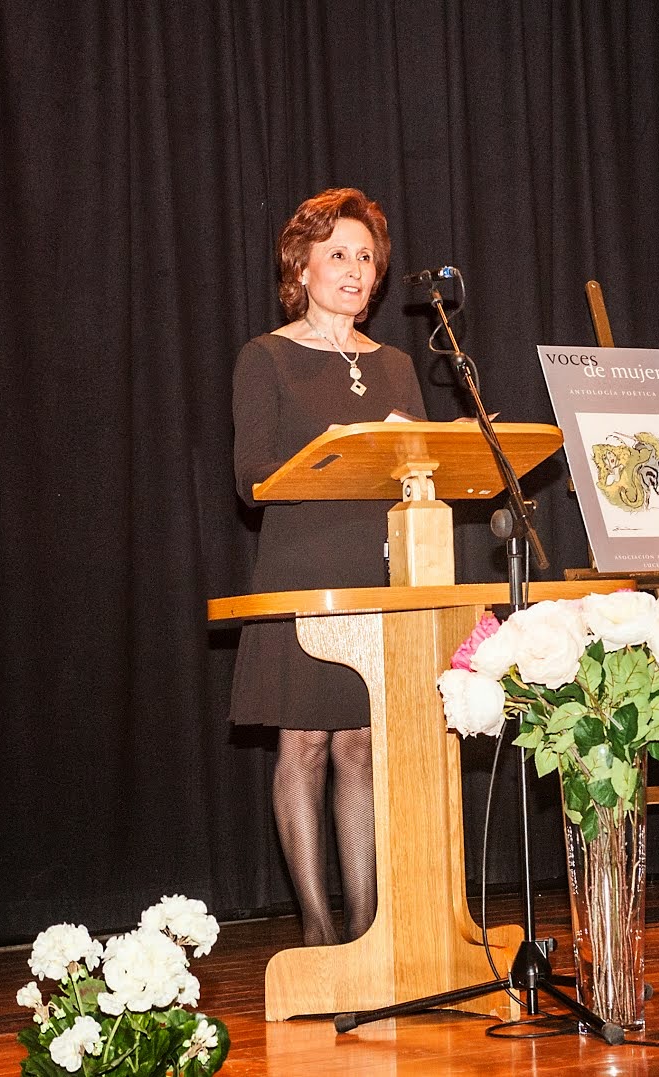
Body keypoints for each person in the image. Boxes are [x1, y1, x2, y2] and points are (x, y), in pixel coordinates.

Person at [229, 188, 426, 946]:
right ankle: (316, 933)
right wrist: (342, 446)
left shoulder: (401, 366)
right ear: (301, 266)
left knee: (360, 745)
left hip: (378, 573)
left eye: (366, 257)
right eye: (338, 253)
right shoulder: (267, 357)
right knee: (305, 742)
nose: (354, 269)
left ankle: (367, 929)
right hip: (301, 569)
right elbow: (253, 478)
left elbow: (419, 473)